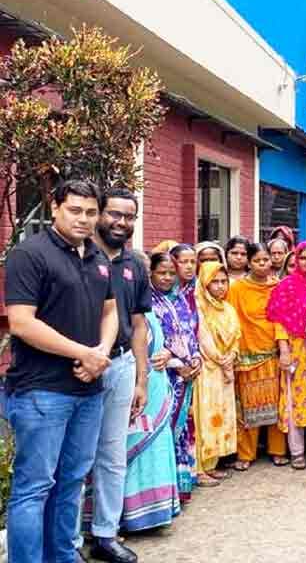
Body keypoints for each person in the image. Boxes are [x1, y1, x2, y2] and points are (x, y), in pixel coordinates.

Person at [5, 180, 117, 563]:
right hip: (41, 392)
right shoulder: (29, 254)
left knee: (70, 483)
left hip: (89, 393)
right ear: (55, 208)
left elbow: (111, 311)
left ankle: (62, 557)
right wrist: (84, 353)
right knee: (34, 488)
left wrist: (100, 352)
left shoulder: (98, 259)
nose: (84, 219)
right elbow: (21, 322)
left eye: (90, 212)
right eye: (75, 210)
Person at [80, 188, 150, 563]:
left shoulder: (135, 265)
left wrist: (141, 379)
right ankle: (68, 541)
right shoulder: (79, 257)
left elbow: (138, 324)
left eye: (129, 216)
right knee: (74, 457)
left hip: (122, 365)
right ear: (99, 215)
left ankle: (105, 535)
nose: (122, 223)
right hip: (78, 369)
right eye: (115, 215)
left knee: (112, 454)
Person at [120, 253, 181, 533]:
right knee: (126, 451)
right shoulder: (116, 304)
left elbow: (164, 338)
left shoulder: (149, 306)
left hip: (154, 388)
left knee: (155, 445)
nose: (142, 275)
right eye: (139, 269)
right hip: (130, 387)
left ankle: (156, 512)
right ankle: (127, 515)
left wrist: (168, 352)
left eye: (144, 270)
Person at [226, 242, 288, 470]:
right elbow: (231, 319)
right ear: (249, 263)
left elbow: (281, 318)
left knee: (276, 403)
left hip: (273, 352)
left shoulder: (277, 287)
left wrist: (283, 350)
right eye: (257, 261)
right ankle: (246, 454)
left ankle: (278, 450)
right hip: (247, 353)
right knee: (248, 405)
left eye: (266, 260)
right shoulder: (237, 289)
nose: (262, 264)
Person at [267, 241, 306, 470]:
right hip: (295, 348)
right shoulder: (287, 286)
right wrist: (283, 349)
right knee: (295, 399)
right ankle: (297, 451)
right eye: (302, 258)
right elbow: (279, 320)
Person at [149, 252, 201, 504]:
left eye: (171, 272)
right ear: (151, 274)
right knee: (163, 430)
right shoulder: (148, 302)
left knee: (181, 431)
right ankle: (162, 490)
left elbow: (190, 333)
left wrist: (195, 361)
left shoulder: (180, 299)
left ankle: (181, 487)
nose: (167, 277)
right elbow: (154, 342)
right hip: (164, 376)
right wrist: (176, 362)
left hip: (186, 376)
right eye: (162, 272)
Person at [192, 262, 240, 486]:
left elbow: (236, 337)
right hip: (207, 370)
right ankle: (199, 468)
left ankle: (212, 464)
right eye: (215, 282)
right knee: (205, 416)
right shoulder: (198, 307)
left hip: (225, 370)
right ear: (204, 283)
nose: (220, 287)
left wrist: (231, 356)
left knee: (221, 416)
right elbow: (204, 340)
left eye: (224, 281)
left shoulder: (228, 308)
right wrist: (221, 360)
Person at [169, 244, 198, 313]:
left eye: (193, 262)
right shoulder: (164, 287)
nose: (189, 266)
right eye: (184, 262)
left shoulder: (199, 288)